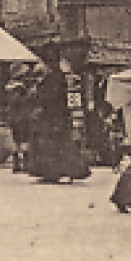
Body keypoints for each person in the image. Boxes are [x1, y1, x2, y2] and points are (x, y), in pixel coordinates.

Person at [27, 56, 92, 184]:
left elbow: (48, 97)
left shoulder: (53, 78)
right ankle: (57, 171)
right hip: (58, 117)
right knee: (59, 145)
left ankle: (53, 172)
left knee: (53, 146)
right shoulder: (59, 77)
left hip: (52, 117)